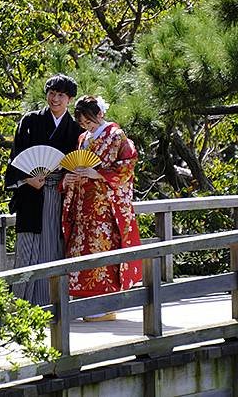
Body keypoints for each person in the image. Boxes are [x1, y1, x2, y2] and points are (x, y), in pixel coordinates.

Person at [61, 95, 143, 321]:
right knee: (81, 253)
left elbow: (127, 166)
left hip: (105, 207)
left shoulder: (117, 136)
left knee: (102, 253)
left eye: (90, 120)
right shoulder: (83, 138)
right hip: (82, 205)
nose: (86, 126)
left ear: (100, 114)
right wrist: (70, 179)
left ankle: (106, 307)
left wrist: (98, 173)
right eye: (82, 122)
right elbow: (78, 164)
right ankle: (85, 304)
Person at [5, 74, 83, 306]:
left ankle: (51, 304)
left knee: (53, 248)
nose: (55, 99)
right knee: (27, 249)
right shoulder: (29, 122)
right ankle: (21, 304)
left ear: (69, 99)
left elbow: (78, 165)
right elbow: (17, 158)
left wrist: (69, 179)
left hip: (59, 195)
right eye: (52, 93)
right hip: (30, 192)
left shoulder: (75, 129)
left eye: (61, 95)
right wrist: (28, 179)